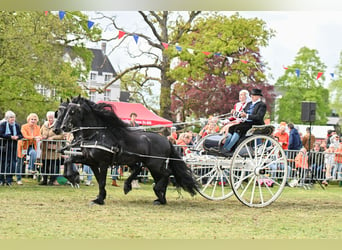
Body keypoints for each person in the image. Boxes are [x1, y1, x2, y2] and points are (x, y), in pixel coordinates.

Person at [221, 88, 266, 155]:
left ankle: (228, 148)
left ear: (258, 96)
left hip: (255, 123)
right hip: (246, 122)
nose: (252, 96)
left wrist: (247, 116)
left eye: (254, 95)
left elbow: (259, 117)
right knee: (231, 128)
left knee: (238, 129)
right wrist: (235, 113)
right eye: (251, 95)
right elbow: (241, 113)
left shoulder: (262, 105)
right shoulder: (249, 104)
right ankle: (224, 147)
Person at [39, 111, 65, 185]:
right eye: (49, 117)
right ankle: (44, 180)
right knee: (44, 165)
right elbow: (39, 133)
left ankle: (52, 180)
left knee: (53, 165)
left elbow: (62, 136)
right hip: (45, 149)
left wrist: (53, 137)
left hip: (54, 150)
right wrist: (42, 137)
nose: (50, 119)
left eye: (52, 117)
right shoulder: (44, 125)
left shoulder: (58, 125)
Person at [0, 111, 24, 186]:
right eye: (11, 117)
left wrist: (17, 137)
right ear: (7, 118)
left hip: (13, 147)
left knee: (12, 164)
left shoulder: (16, 125)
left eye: (13, 117)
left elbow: (21, 135)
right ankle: (1, 179)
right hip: (4, 147)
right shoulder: (3, 125)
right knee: (3, 164)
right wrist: (10, 137)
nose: (12, 119)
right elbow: (1, 134)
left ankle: (9, 179)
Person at [19, 113, 42, 177]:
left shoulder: (37, 127)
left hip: (31, 146)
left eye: (35, 119)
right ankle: (18, 177)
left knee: (33, 153)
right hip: (23, 146)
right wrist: (34, 137)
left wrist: (39, 138)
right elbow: (25, 136)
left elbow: (40, 135)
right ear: (28, 119)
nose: (33, 121)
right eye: (32, 119)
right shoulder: (24, 126)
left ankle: (30, 169)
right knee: (20, 160)